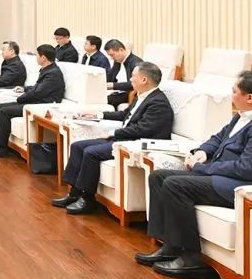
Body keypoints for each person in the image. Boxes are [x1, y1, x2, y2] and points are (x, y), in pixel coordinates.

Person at [135, 71, 252, 279]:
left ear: (249, 97)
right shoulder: (245, 115)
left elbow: (247, 169)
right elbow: (218, 138)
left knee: (176, 185)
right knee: (158, 177)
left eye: (234, 91)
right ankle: (170, 246)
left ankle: (191, 259)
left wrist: (201, 168)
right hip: (230, 178)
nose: (231, 95)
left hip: (251, 187)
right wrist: (202, 152)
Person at [52, 62, 173, 214]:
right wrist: (97, 115)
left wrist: (114, 133)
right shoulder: (142, 96)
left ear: (144, 80)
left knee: (91, 152)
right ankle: (74, 194)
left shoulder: (158, 103)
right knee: (77, 146)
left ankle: (88, 199)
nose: (130, 79)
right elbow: (125, 115)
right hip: (125, 138)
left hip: (135, 143)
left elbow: (143, 129)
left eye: (133, 76)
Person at [0, 45, 66, 158]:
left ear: (43, 58)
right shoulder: (48, 70)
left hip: (40, 105)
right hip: (35, 101)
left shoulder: (53, 73)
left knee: (4, 111)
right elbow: (37, 87)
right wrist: (24, 89)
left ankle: (0, 147)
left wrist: (20, 98)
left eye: (37, 55)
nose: (36, 57)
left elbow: (38, 93)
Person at [105, 39, 142, 106]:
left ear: (121, 50)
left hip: (130, 92)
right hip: (117, 91)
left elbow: (135, 83)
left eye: (112, 55)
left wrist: (113, 86)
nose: (111, 58)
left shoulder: (136, 62)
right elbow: (111, 77)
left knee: (104, 100)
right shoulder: (117, 61)